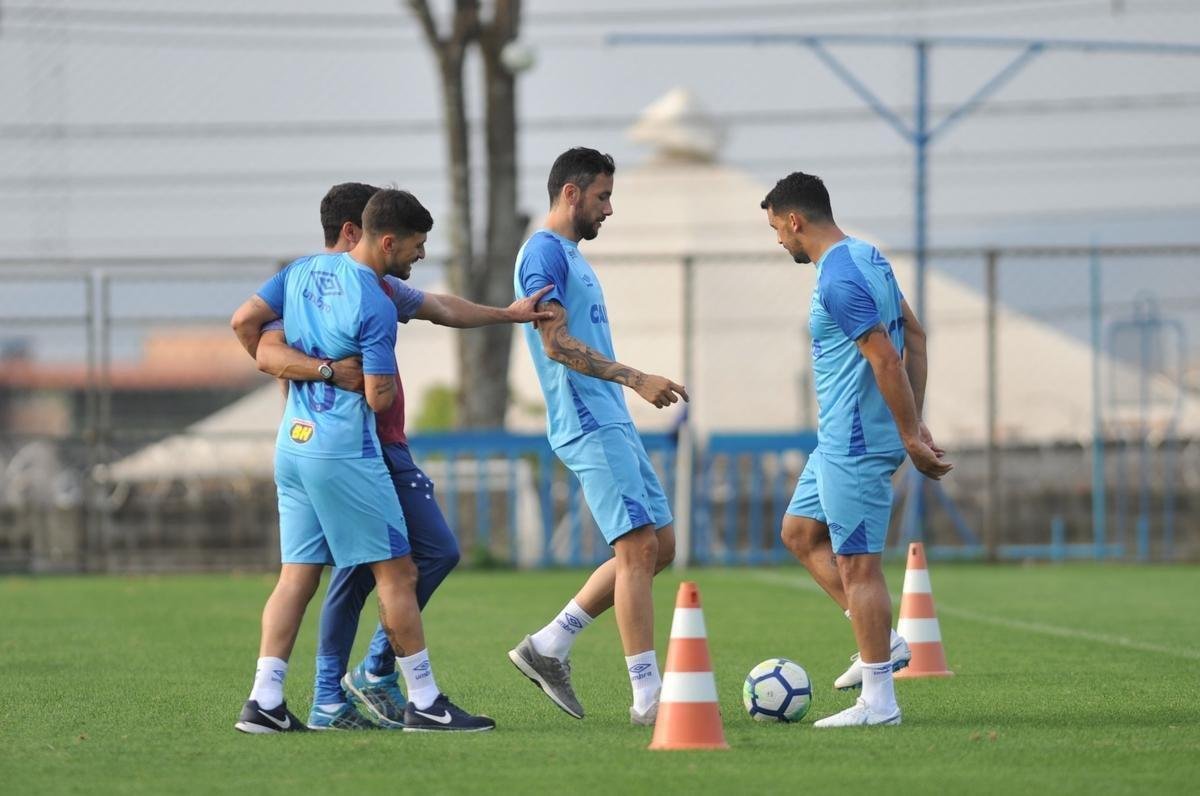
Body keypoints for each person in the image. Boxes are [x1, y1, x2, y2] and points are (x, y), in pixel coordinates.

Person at [231, 183, 552, 730]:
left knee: (298, 577)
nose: (421, 255)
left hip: (295, 443)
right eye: (417, 245)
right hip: (349, 451)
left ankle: (265, 700)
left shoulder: (300, 274)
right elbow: (378, 394)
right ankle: (420, 701)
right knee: (397, 573)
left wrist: (508, 314)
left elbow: (251, 331)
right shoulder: (373, 300)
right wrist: (342, 374)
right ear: (382, 239)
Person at [760, 171, 952, 727]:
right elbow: (915, 336)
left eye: (777, 228)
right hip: (839, 441)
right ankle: (884, 643)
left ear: (796, 220)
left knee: (859, 565)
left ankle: (879, 702)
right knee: (798, 533)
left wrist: (911, 435)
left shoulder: (838, 279)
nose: (778, 240)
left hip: (856, 443)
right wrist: (913, 421)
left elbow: (887, 358)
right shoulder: (869, 256)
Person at [508, 147, 689, 726]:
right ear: (571, 193)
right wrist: (636, 378)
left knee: (660, 547)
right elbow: (554, 343)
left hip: (611, 418)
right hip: (587, 419)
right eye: (603, 196)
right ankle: (648, 698)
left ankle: (551, 643)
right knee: (635, 549)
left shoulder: (569, 255)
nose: (609, 209)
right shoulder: (542, 252)